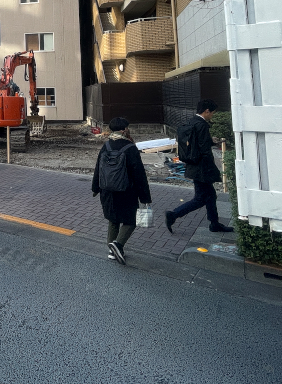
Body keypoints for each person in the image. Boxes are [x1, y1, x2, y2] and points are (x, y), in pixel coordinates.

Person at [166, 100, 234, 234]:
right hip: (202, 168)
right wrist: (212, 169)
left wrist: (210, 140)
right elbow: (203, 149)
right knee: (201, 198)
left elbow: (196, 143)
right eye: (212, 113)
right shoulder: (202, 125)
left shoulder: (192, 122)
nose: (212, 116)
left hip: (193, 165)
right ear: (207, 111)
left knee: (210, 196)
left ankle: (214, 224)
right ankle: (174, 214)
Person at [91, 117, 152, 265]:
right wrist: (145, 197)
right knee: (131, 220)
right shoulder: (130, 148)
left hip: (107, 190)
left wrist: (95, 188)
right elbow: (139, 174)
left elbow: (98, 168)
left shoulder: (106, 146)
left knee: (113, 219)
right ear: (124, 130)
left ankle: (112, 251)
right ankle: (118, 244)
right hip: (126, 191)